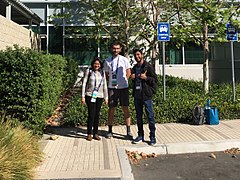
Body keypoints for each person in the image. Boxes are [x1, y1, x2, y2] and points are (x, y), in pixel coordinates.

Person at [103, 41, 132, 139]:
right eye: (114, 48)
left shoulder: (124, 60)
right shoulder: (107, 61)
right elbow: (106, 75)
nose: (115, 50)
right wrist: (113, 82)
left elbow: (128, 73)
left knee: (125, 109)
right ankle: (110, 131)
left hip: (123, 88)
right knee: (111, 109)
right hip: (112, 88)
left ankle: (128, 131)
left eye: (117, 48)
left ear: (120, 49)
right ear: (111, 49)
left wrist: (123, 82)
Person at [131, 49, 158, 146]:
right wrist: (133, 78)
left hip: (146, 96)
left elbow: (155, 80)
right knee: (139, 117)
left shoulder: (148, 66)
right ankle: (140, 135)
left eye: (138, 54)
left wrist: (146, 78)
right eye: (135, 55)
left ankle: (152, 136)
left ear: (142, 55)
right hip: (137, 95)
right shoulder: (134, 68)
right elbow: (134, 82)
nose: (137, 56)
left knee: (150, 116)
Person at [81, 57, 108, 141]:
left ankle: (95, 133)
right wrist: (83, 96)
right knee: (91, 114)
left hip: (99, 96)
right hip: (90, 95)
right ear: (93, 64)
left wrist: (106, 97)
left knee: (97, 115)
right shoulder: (89, 71)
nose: (97, 65)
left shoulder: (102, 72)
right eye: (95, 64)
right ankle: (89, 133)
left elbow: (105, 85)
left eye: (98, 64)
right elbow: (84, 83)